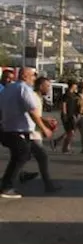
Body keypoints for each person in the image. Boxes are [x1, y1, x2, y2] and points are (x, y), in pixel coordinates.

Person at [0, 68, 52, 199]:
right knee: (22, 155)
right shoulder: (24, 89)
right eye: (33, 75)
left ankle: (9, 182)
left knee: (21, 155)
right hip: (19, 130)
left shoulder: (8, 88)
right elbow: (32, 111)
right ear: (24, 76)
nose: (34, 78)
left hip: (8, 128)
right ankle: (7, 186)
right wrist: (44, 128)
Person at [17, 77, 61, 193]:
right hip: (31, 133)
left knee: (23, 157)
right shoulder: (34, 97)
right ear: (41, 86)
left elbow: (36, 115)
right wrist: (45, 127)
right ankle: (48, 185)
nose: (49, 88)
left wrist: (46, 121)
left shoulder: (38, 98)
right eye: (47, 86)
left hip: (32, 132)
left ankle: (18, 175)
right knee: (42, 157)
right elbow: (32, 114)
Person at [59, 81, 83, 154]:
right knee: (71, 133)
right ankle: (66, 147)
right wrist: (66, 114)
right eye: (81, 87)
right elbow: (68, 105)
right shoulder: (75, 95)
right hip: (76, 115)